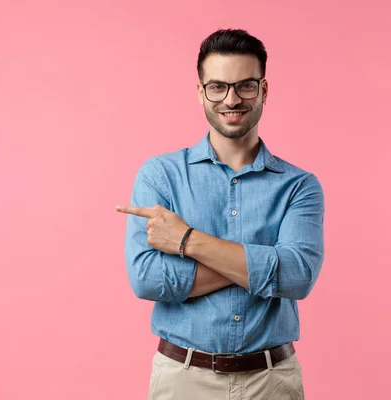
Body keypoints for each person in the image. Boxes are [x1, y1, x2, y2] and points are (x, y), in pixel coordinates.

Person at [116, 28, 325, 399]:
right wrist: (262, 261)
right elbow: (147, 279)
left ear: (264, 89)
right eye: (217, 87)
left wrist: (186, 240)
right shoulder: (161, 175)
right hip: (183, 379)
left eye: (245, 85)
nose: (232, 99)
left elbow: (297, 277)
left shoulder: (299, 185)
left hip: (272, 381)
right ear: (201, 92)